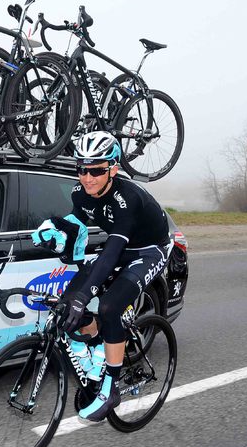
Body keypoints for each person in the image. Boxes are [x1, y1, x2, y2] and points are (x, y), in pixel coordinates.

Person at [32, 131, 171, 422]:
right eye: (82, 168)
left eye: (96, 170)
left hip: (149, 251)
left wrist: (87, 296)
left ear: (114, 169)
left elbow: (111, 251)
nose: (87, 177)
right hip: (121, 249)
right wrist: (54, 228)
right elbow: (77, 220)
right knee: (67, 303)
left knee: (109, 307)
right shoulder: (80, 192)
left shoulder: (127, 198)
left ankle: (111, 388)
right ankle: (97, 352)